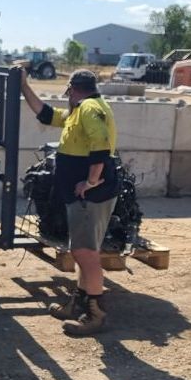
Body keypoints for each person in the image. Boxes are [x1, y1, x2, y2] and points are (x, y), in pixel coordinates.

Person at [21, 68, 119, 335]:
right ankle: (79, 302)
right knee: (81, 251)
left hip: (91, 196)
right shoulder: (80, 110)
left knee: (86, 253)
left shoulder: (88, 109)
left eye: (68, 92)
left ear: (74, 90)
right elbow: (46, 114)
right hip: (82, 196)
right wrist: (24, 86)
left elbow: (101, 143)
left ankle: (95, 313)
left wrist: (90, 181)